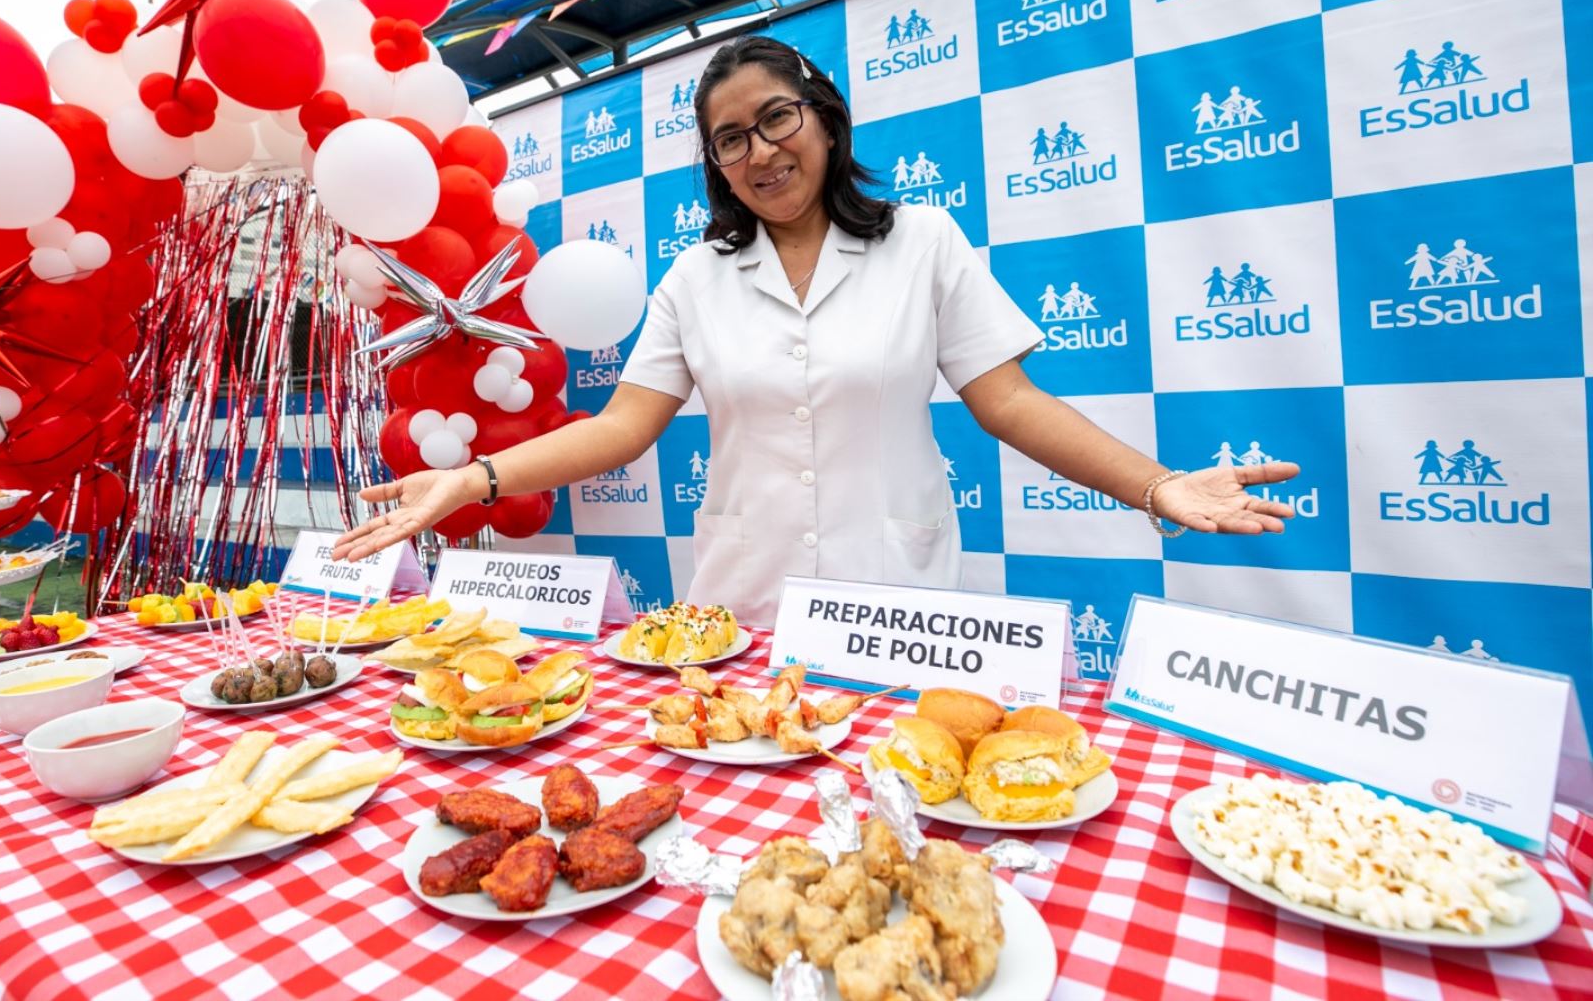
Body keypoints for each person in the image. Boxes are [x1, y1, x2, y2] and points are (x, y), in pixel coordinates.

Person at [335, 36, 1299, 623]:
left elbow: (1008, 402)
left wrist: (1157, 482)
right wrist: (473, 476)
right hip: (743, 605)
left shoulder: (922, 241)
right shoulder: (698, 276)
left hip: (897, 607)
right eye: (730, 138)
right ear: (716, 165)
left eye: (777, 118)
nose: (761, 150)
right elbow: (622, 428)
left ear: (826, 120)